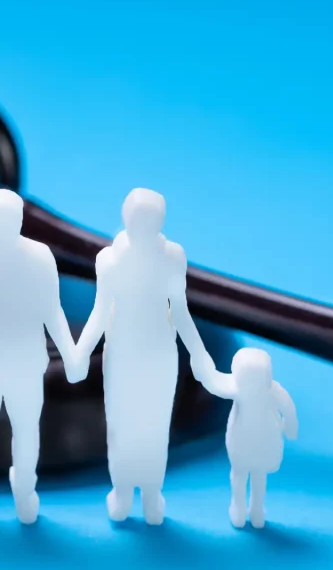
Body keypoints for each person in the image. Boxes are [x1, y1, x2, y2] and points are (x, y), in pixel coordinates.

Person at [74, 187, 216, 525]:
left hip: (160, 353)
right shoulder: (109, 259)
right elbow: (99, 311)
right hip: (121, 352)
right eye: (138, 217)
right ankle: (122, 492)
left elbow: (180, 311)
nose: (144, 224)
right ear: (126, 218)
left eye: (151, 219)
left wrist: (200, 355)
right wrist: (80, 352)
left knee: (153, 427)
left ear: (160, 221)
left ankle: (152, 495)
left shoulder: (172, 257)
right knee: (121, 426)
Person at [0, 188, 86, 525]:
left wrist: (70, 354)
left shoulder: (40, 258)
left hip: (26, 362)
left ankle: (24, 490)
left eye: (8, 218)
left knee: (25, 430)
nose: (1, 225)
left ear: (21, 220)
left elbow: (52, 311)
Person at [198, 347, 298, 529]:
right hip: (245, 439)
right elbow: (214, 382)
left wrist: (203, 367)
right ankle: (244, 508)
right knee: (246, 474)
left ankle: (253, 509)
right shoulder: (249, 389)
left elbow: (288, 410)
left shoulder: (264, 390)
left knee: (249, 474)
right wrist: (202, 367)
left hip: (256, 439)